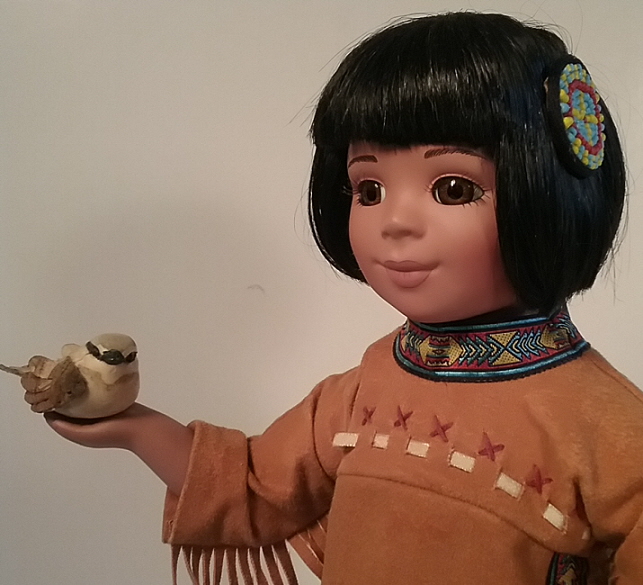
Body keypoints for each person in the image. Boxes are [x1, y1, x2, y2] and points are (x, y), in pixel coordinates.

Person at [46, 12, 643, 585]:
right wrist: (136, 427)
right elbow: (254, 484)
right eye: (369, 188)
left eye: (453, 188)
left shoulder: (603, 423)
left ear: (551, 195)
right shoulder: (366, 387)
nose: (395, 221)